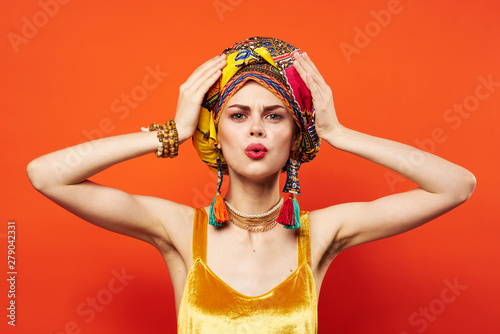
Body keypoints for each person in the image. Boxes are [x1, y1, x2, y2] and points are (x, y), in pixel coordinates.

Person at [26, 37, 476, 333]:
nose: (256, 129)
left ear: (296, 135)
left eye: (274, 115)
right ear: (216, 135)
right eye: (238, 115)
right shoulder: (180, 229)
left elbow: (456, 186)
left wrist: (339, 133)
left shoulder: (321, 233)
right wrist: (172, 132)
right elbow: (46, 175)